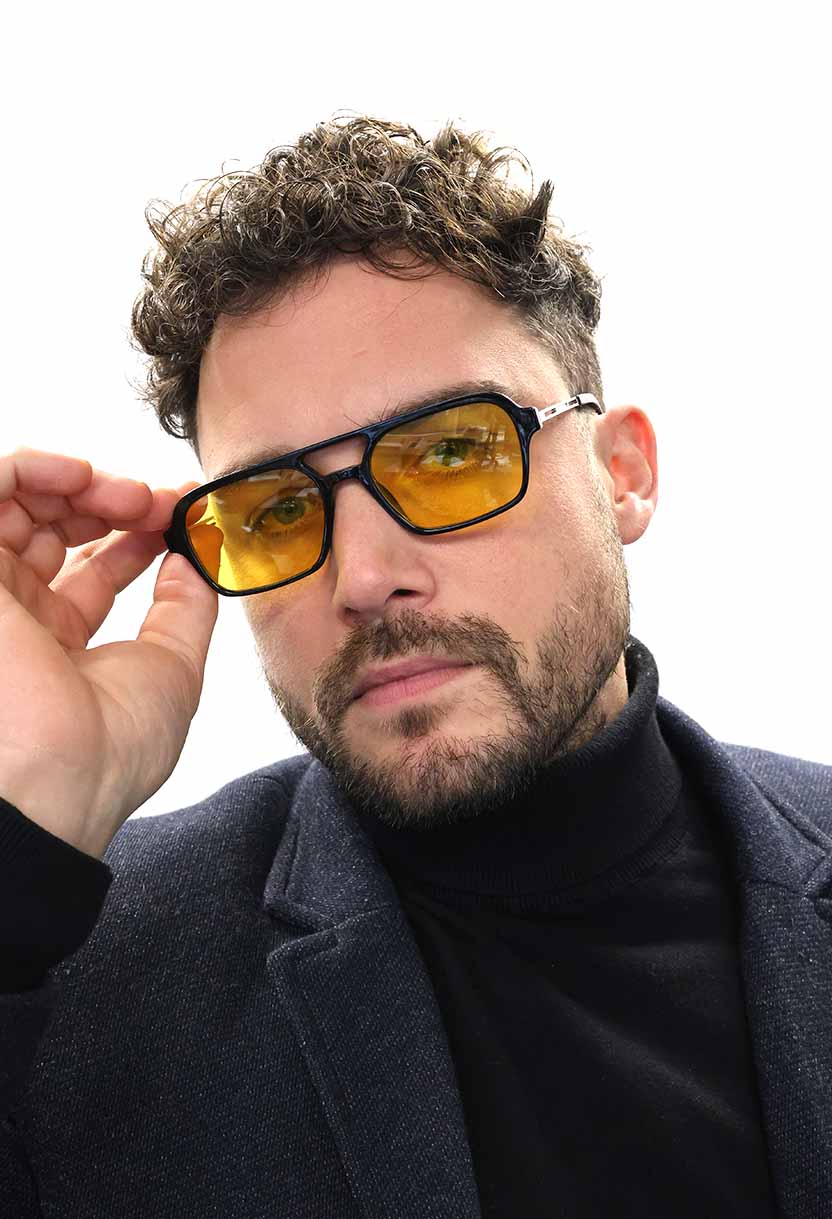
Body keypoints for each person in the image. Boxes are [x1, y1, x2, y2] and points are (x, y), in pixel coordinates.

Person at [0, 114, 829, 1219]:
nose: (362, 576)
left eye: (448, 451)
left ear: (622, 472)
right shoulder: (68, 974)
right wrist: (20, 837)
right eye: (277, 508)